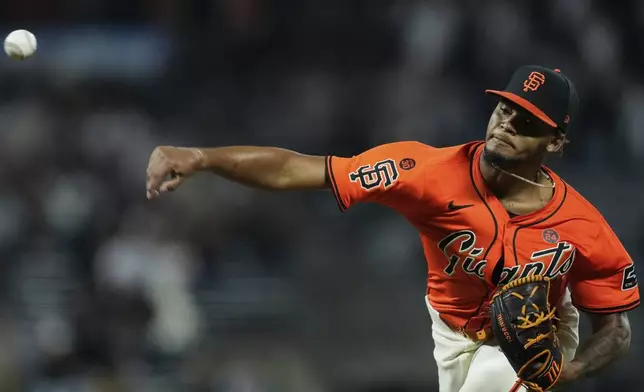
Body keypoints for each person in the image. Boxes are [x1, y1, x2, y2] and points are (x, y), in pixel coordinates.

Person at [145, 65, 640, 391]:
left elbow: (616, 327)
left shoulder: (581, 226)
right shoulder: (425, 172)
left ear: (555, 142)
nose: (507, 124)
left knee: (495, 379)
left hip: (539, 333)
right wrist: (203, 157)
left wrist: (570, 370)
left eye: (527, 120)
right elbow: (296, 168)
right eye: (505, 109)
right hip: (451, 331)